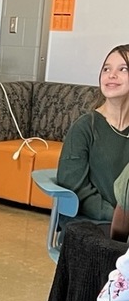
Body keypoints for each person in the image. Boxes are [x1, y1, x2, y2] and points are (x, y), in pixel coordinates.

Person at [57, 45, 129, 224]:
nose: (111, 75)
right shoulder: (85, 127)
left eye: (123, 69)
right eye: (106, 69)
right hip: (91, 225)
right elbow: (76, 188)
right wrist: (117, 219)